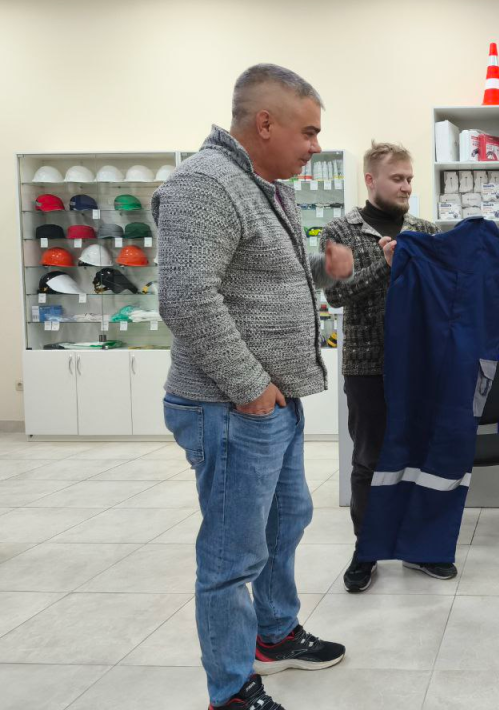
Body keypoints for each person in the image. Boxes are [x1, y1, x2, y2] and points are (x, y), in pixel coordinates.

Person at [155, 64, 354, 710]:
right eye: (309, 132)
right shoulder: (204, 184)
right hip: (231, 406)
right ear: (265, 123)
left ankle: (275, 634)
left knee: (286, 521)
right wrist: (249, 388)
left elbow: (267, 276)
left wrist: (323, 270)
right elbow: (187, 297)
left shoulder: (266, 186)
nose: (316, 145)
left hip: (271, 402)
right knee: (231, 556)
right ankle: (232, 689)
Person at [319, 142, 454, 594]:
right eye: (397, 178)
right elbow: (336, 295)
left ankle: (419, 546)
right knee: (369, 461)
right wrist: (385, 265)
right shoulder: (340, 231)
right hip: (367, 365)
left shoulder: (424, 230)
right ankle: (367, 550)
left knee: (419, 457)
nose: (407, 186)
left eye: (410, 178)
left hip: (418, 364)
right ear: (371, 180)